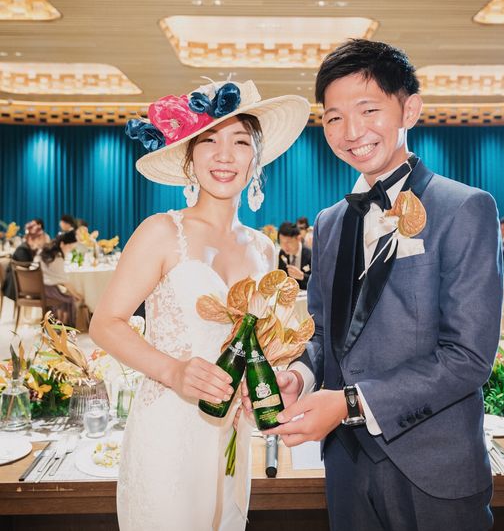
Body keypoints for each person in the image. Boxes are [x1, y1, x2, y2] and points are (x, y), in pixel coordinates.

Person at [248, 40, 503, 531]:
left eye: (368, 110)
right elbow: (323, 333)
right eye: (334, 117)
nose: (352, 132)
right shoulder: (328, 222)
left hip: (433, 467)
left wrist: (349, 403)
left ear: (410, 109)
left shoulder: (464, 207)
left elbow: (468, 358)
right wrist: (299, 376)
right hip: (347, 464)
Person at [89, 79, 310, 531]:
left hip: (232, 434)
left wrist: (269, 377)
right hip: (168, 429)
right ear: (189, 157)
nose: (224, 155)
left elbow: (257, 345)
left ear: (256, 159)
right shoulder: (161, 232)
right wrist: (173, 371)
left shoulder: (264, 249)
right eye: (208, 140)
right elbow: (105, 323)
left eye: (240, 142)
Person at [39, 230, 84, 325]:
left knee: (66, 295)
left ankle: (56, 323)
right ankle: (67, 326)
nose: (70, 250)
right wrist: (77, 295)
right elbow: (65, 282)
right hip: (49, 290)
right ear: (62, 244)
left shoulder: (47, 252)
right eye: (70, 247)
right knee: (70, 299)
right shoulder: (57, 257)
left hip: (40, 288)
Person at [2, 221, 46, 301]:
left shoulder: (31, 248)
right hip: (17, 286)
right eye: (39, 239)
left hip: (23, 283)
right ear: (30, 239)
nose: (41, 242)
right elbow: (25, 272)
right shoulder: (22, 250)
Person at [277, 221, 312, 290]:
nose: (284, 246)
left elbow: (318, 281)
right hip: (289, 293)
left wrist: (302, 276)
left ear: (298, 238)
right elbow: (281, 276)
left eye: (288, 242)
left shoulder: (310, 254)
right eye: (281, 242)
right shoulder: (283, 253)